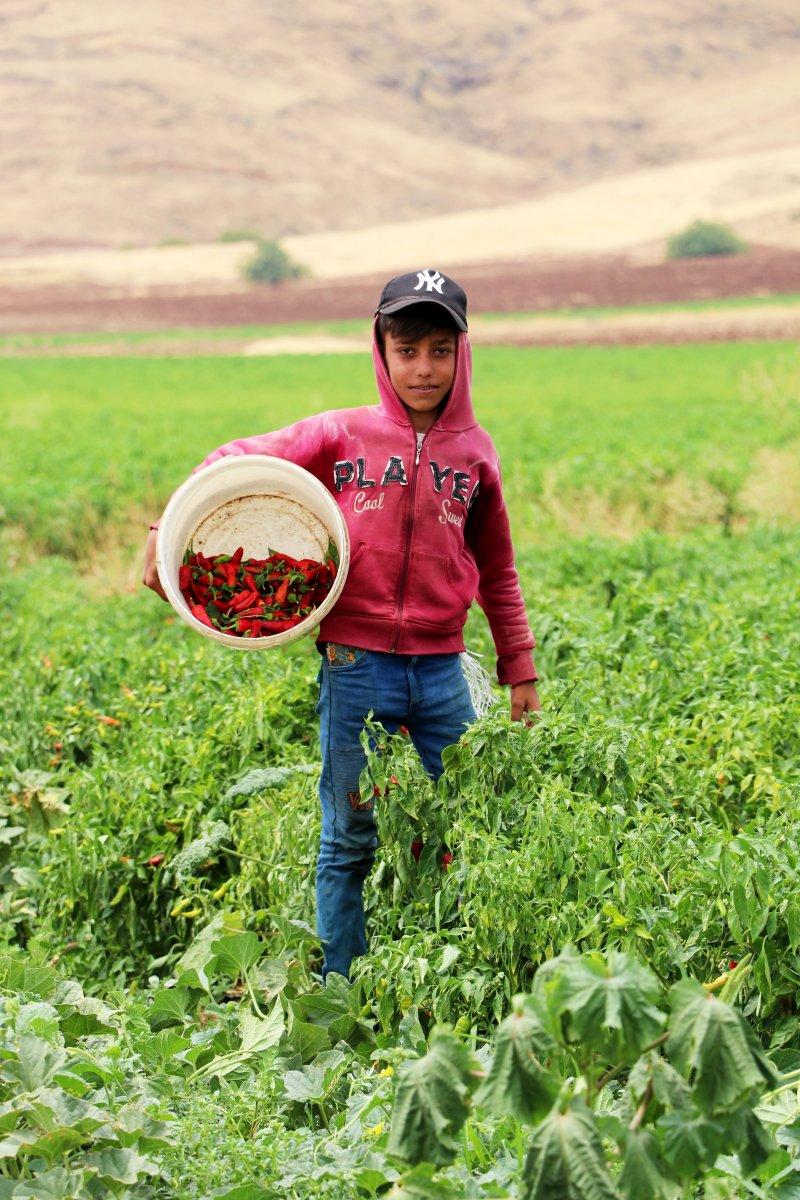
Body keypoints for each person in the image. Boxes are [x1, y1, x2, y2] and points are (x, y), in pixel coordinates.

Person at [143, 268, 540, 981]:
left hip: (442, 672)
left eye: (440, 350)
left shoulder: (476, 453)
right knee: (349, 834)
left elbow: (498, 569)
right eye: (407, 350)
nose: (424, 368)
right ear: (381, 351)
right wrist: (162, 529)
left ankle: (461, 970)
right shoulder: (341, 433)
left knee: (470, 823)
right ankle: (343, 991)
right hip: (356, 667)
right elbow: (235, 459)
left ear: (463, 352)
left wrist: (521, 669)